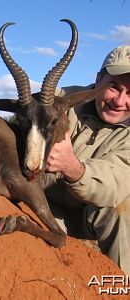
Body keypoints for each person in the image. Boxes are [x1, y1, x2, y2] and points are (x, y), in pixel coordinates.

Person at [45, 45, 130, 275]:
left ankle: (121, 287)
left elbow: (113, 184)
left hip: (86, 217)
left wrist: (72, 167)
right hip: (44, 205)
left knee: (122, 208)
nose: (120, 101)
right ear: (98, 78)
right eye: (114, 87)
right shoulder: (63, 99)